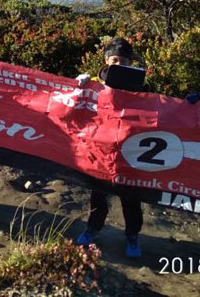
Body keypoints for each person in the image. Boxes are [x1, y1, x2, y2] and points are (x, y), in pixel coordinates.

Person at [75, 37, 144, 258]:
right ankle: (93, 228)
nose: (119, 65)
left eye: (124, 61)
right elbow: (74, 104)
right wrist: (79, 85)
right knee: (98, 195)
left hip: (131, 150)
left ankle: (132, 235)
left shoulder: (143, 85)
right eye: (115, 60)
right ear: (106, 59)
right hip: (101, 150)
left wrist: (191, 104)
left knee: (131, 199)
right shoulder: (94, 81)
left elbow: (164, 108)